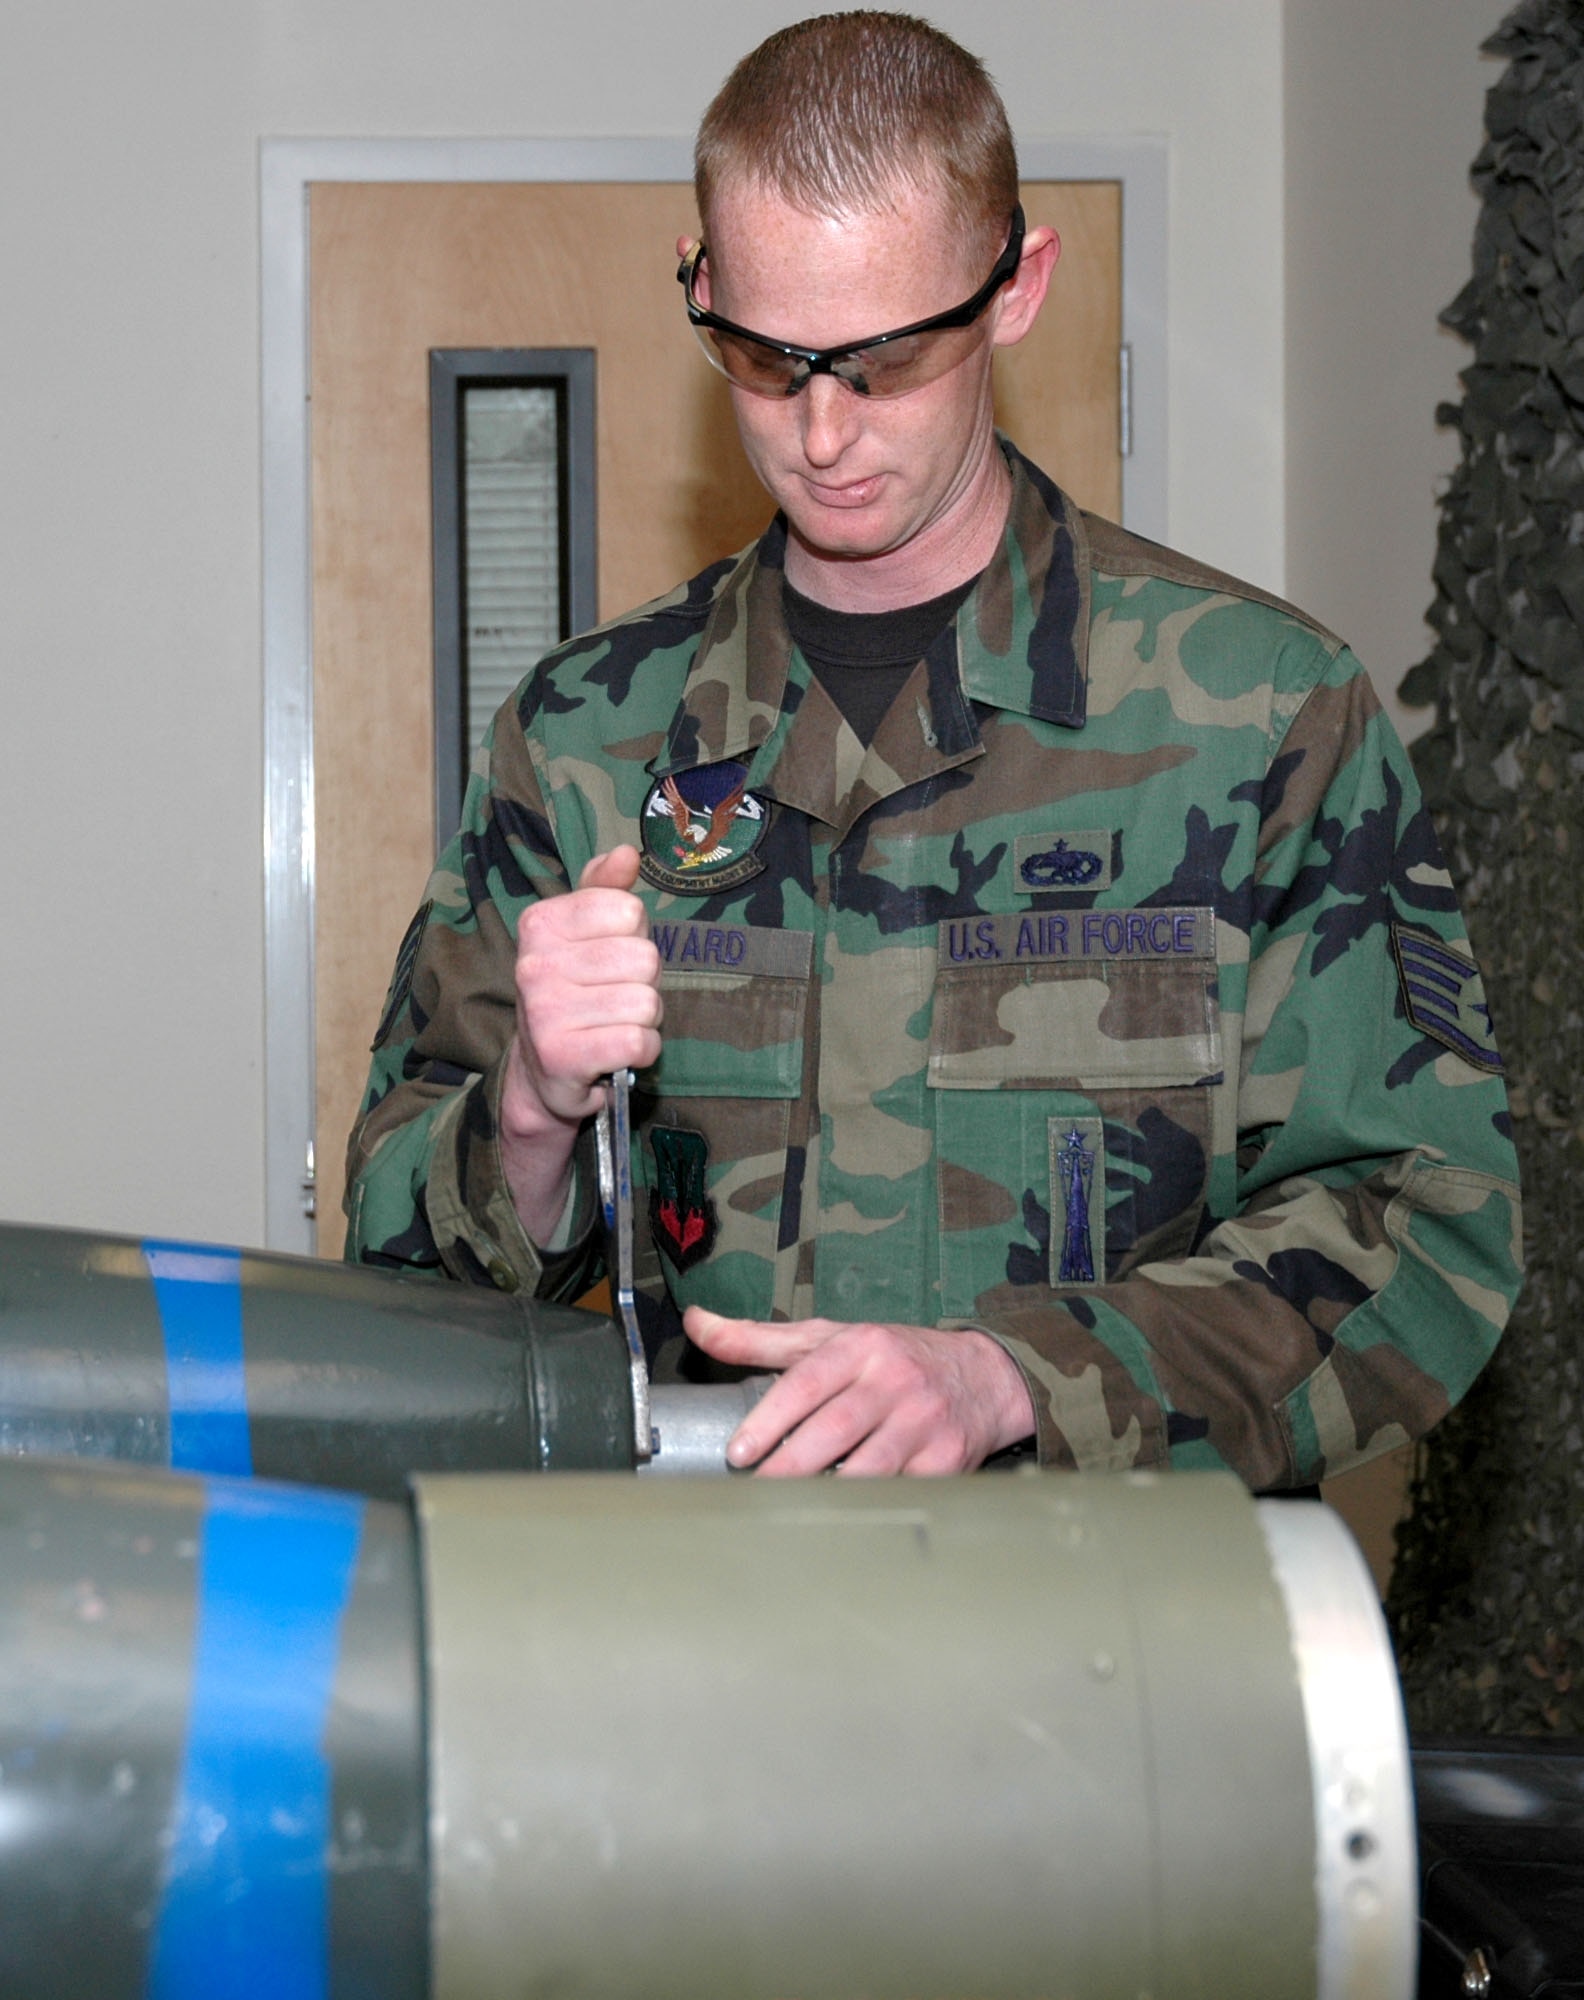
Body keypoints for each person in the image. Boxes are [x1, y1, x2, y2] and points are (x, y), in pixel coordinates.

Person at [346, 11, 1521, 1483]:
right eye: (767, 361)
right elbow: (391, 1281)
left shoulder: (1259, 716)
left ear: (1015, 289)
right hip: (703, 1634)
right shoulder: (590, 737)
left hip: (1110, 1644)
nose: (822, 431)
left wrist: (1015, 1381)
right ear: (702, 290)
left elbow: (1426, 1228)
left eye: (886, 361)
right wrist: (527, 1109)